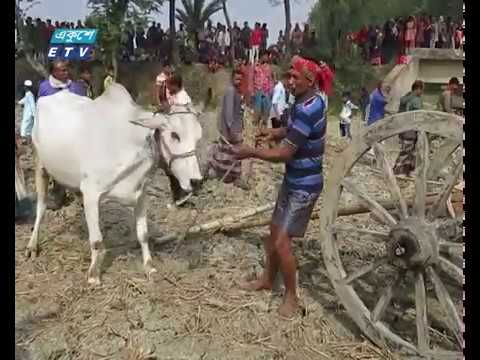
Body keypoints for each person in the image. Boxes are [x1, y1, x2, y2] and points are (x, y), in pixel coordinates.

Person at [231, 56, 326, 319]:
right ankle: (266, 280)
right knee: (274, 231)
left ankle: (291, 297)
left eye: (295, 77)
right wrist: (275, 133)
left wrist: (252, 151)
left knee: (282, 241)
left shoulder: (310, 108)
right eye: (289, 76)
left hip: (304, 185)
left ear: (310, 80)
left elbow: (285, 154)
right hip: (293, 180)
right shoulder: (303, 102)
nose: (289, 81)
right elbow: (293, 131)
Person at [37, 60, 86, 210]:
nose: (65, 73)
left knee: (79, 166)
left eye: (66, 70)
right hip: (53, 134)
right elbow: (41, 109)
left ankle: (84, 197)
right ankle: (58, 197)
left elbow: (83, 108)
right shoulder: (45, 87)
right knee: (57, 165)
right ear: (54, 72)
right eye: (62, 70)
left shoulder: (76, 87)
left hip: (74, 132)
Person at [206, 69, 249, 190]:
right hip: (231, 129)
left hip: (233, 127)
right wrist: (231, 129)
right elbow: (229, 113)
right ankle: (235, 177)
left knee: (227, 153)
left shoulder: (235, 91)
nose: (239, 80)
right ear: (232, 78)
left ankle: (226, 174)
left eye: (241, 78)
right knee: (234, 152)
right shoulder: (231, 91)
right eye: (237, 78)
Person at [392, 80, 424, 176]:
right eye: (422, 90)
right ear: (418, 89)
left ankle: (407, 171)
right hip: (409, 128)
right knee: (406, 150)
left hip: (410, 128)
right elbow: (411, 114)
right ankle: (397, 170)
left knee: (411, 152)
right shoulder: (411, 99)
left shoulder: (409, 98)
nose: (422, 92)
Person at [253, 51, 274, 126]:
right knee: (257, 108)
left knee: (267, 108)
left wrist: (271, 90)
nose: (266, 57)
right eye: (264, 56)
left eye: (267, 56)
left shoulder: (269, 67)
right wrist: (252, 90)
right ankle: (255, 124)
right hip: (257, 90)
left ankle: (264, 124)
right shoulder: (256, 66)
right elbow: (251, 78)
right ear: (261, 56)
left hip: (266, 91)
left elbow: (271, 79)